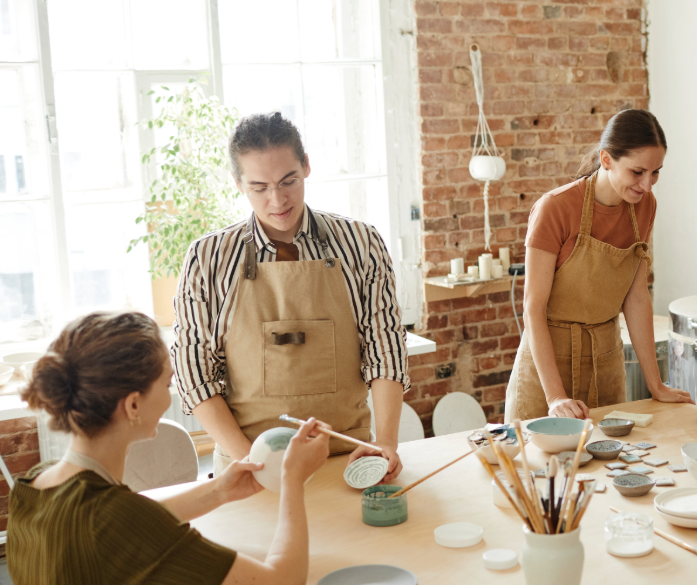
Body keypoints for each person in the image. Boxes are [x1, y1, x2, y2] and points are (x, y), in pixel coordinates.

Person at [9, 311, 329, 584]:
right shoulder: (112, 518)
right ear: (133, 405)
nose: (169, 395)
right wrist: (291, 480)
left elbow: (129, 528)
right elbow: (281, 579)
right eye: (166, 384)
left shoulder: (34, 487)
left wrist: (220, 490)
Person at [172, 112, 408, 480]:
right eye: (259, 188)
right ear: (237, 183)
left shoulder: (362, 244)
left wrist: (387, 442)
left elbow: (386, 348)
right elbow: (194, 375)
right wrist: (252, 462)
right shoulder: (208, 259)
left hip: (348, 459)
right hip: (248, 466)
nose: (277, 200)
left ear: (307, 166)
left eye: (288, 181)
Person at [505, 109, 692, 421]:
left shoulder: (645, 206)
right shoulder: (554, 208)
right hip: (546, 368)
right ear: (607, 160)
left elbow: (636, 296)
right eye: (637, 172)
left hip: (606, 362)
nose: (647, 185)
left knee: (611, 464)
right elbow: (532, 308)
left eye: (656, 172)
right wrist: (555, 397)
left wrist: (656, 385)